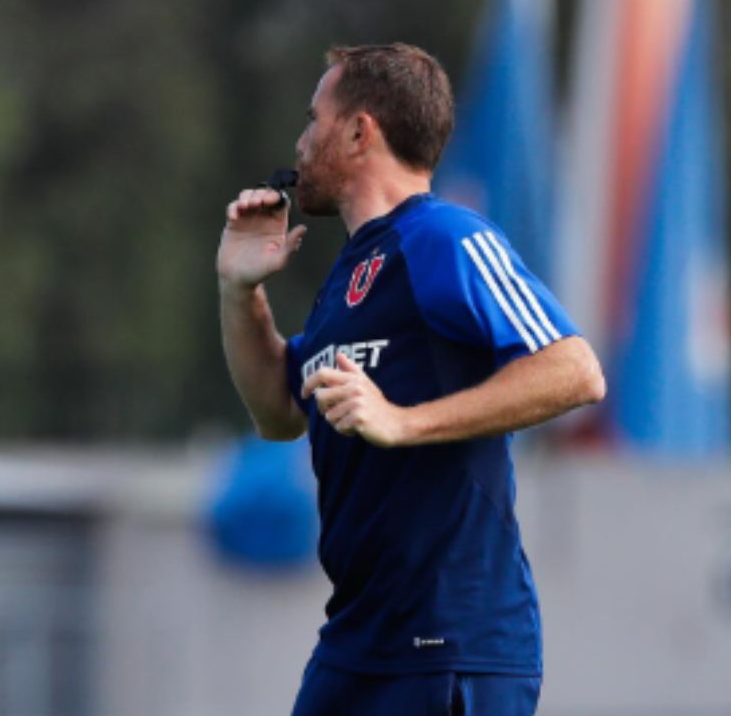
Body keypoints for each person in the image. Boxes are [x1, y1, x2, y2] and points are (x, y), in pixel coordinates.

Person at [216, 44, 606, 715]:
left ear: (359, 131)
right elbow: (279, 411)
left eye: (313, 121)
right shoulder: (351, 274)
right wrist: (239, 289)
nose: (301, 143)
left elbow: (576, 370)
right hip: (358, 640)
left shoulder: (444, 237)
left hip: (450, 641)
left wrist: (404, 420)